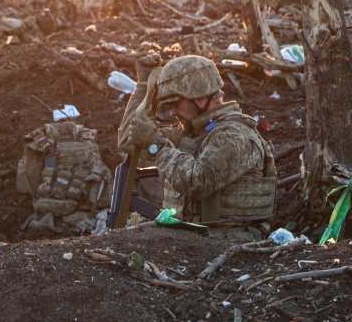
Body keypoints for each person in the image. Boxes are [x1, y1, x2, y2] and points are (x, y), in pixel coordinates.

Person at [118, 54, 276, 229]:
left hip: (228, 241)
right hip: (191, 238)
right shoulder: (189, 132)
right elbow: (129, 141)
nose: (172, 113)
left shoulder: (235, 134)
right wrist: (144, 87)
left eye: (175, 103)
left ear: (200, 98)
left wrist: (156, 146)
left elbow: (198, 182)